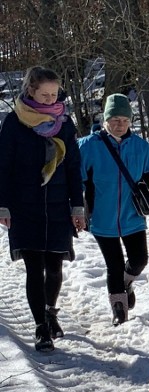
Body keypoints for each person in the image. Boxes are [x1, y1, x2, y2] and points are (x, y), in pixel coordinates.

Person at [0, 66, 85, 352]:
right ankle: (40, 328)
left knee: (55, 267)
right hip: (25, 206)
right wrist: (3, 204)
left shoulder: (65, 123)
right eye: (44, 94)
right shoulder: (14, 123)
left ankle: (50, 311)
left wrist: (78, 205)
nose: (50, 100)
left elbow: (74, 167)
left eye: (54, 94)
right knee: (34, 268)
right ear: (30, 92)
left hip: (59, 206)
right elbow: (3, 167)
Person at [78, 93, 149, 326]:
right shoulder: (87, 147)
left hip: (132, 216)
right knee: (113, 265)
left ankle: (126, 283)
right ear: (105, 120)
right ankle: (119, 310)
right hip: (102, 220)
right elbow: (75, 182)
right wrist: (74, 211)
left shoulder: (140, 147)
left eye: (124, 119)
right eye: (114, 119)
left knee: (139, 260)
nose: (119, 124)